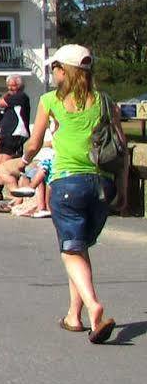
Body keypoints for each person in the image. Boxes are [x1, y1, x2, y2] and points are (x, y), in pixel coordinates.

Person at [22, 45, 122, 342]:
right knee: (79, 249)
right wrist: (124, 190)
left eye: (54, 68)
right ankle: (72, 316)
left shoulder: (50, 100)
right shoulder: (105, 102)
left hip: (68, 184)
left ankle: (94, 308)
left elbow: (34, 142)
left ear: (63, 71)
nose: (52, 73)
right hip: (102, 185)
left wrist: (24, 163)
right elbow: (121, 150)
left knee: (70, 250)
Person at [0, 74, 33, 202]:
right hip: (6, 133)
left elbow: (0, 102)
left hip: (16, 134)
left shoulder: (21, 97)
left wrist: (8, 93)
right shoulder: (13, 96)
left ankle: (4, 191)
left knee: (6, 161)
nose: (10, 88)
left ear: (19, 86)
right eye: (9, 86)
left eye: (13, 85)